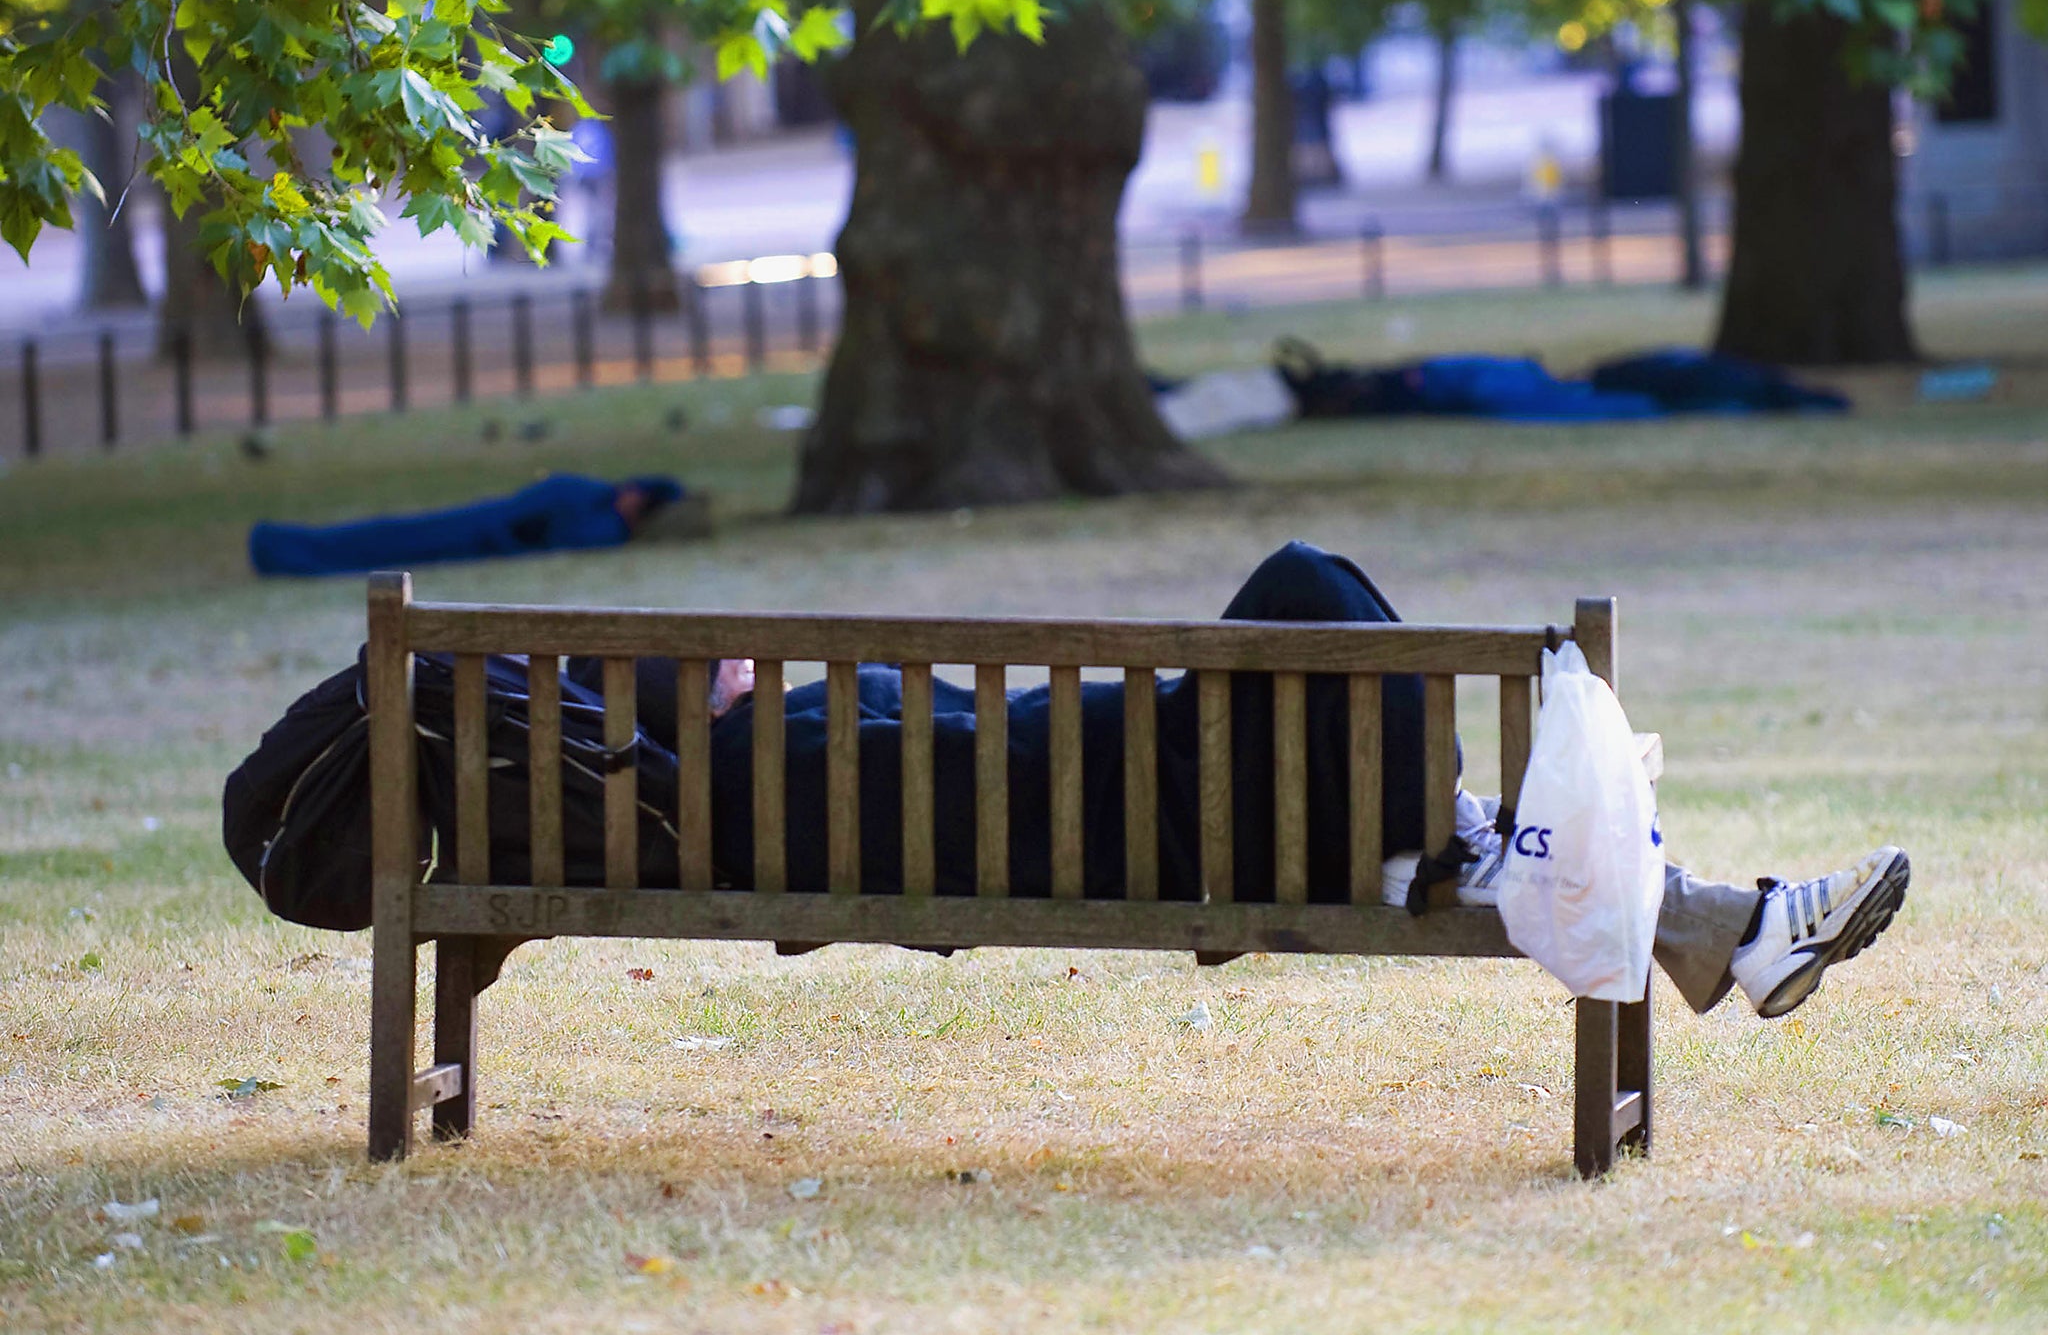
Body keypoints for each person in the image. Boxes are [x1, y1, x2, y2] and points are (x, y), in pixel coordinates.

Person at [685, 542, 1908, 1021]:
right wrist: (741, 725)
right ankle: (1444, 838)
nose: (733, 670)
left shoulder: (789, 746)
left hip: (1158, 792)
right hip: (1157, 819)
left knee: (1305, 589)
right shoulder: (766, 763)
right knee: (1300, 580)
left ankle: (1720, 931)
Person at [248, 472, 686, 577]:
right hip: (482, 529)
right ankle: (278, 546)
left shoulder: (598, 511)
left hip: (481, 531)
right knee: (384, 539)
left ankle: (280, 548)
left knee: (386, 543)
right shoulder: (596, 505)